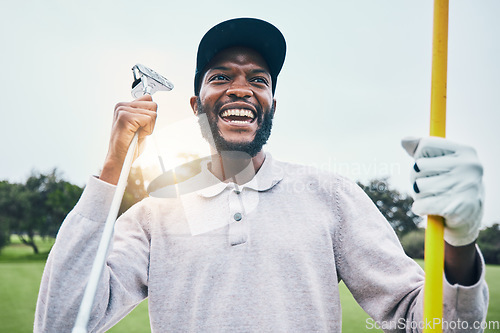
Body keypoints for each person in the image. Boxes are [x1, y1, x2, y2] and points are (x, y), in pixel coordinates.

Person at [35, 18, 488, 332]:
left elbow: (429, 325)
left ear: (270, 104)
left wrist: (460, 246)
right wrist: (112, 167)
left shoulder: (331, 195)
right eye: (219, 76)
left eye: (259, 79)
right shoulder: (154, 216)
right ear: (196, 106)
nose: (241, 88)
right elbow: (61, 323)